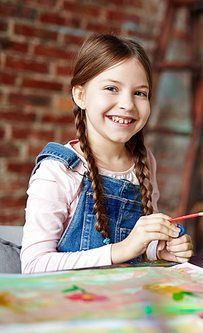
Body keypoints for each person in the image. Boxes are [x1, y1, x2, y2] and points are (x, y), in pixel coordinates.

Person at [21, 34, 193, 273]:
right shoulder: (59, 170)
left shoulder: (144, 162)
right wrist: (120, 251)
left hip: (127, 301)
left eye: (140, 93)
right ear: (80, 96)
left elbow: (136, 244)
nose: (127, 104)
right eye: (111, 88)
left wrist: (159, 249)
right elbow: (34, 266)